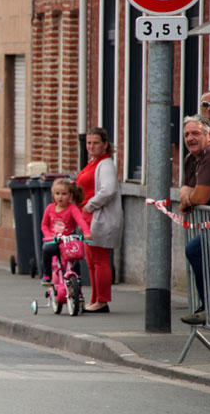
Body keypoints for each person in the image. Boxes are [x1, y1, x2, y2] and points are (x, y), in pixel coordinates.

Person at [75, 127, 123, 314]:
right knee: (91, 261)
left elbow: (108, 190)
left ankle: (102, 301)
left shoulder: (105, 164)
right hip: (88, 219)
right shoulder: (93, 163)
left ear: (105, 144)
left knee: (100, 260)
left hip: (98, 218)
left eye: (95, 143)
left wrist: (89, 206)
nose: (91, 146)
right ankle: (94, 299)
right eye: (88, 143)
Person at [179, 115, 210, 325]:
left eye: (196, 133)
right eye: (186, 134)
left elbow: (199, 198)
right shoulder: (190, 159)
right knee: (196, 249)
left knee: (196, 249)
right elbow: (184, 189)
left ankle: (209, 307)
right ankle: (208, 306)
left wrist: (187, 200)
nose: (190, 138)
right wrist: (187, 196)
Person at [40, 178, 92, 286]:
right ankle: (47, 274)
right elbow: (44, 224)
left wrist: (87, 233)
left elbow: (81, 221)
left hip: (68, 241)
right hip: (54, 240)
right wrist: (49, 236)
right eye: (57, 194)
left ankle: (78, 288)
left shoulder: (72, 209)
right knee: (47, 249)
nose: (60, 197)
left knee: (76, 259)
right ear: (53, 195)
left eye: (64, 194)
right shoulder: (50, 208)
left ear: (70, 195)